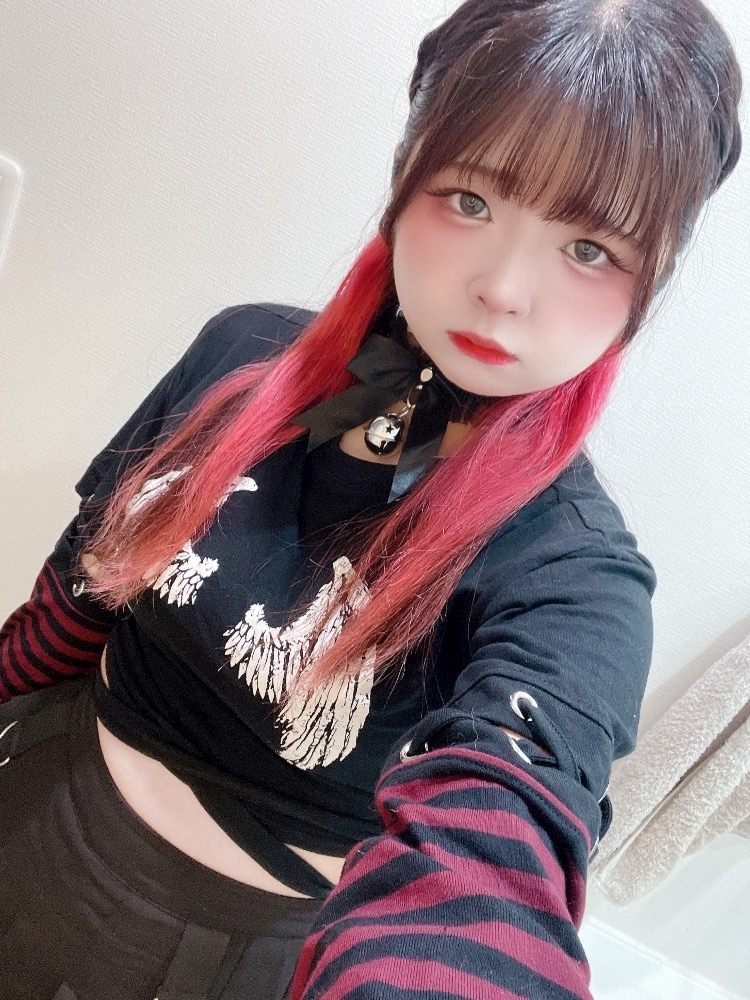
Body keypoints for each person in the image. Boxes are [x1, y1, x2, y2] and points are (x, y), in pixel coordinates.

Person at [0, 0, 742, 997]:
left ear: (649, 280)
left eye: (589, 248)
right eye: (471, 199)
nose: (504, 289)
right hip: (33, 787)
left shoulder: (575, 576)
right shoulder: (242, 354)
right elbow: (77, 593)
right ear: (405, 176)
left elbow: (498, 846)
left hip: (231, 960)